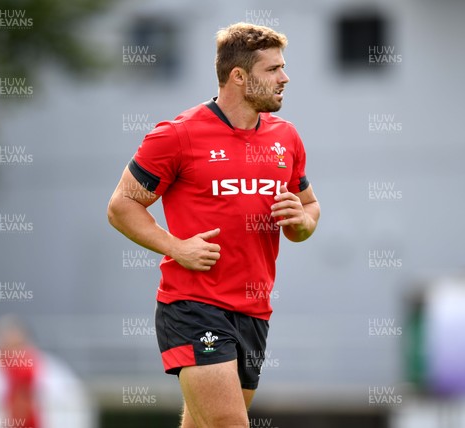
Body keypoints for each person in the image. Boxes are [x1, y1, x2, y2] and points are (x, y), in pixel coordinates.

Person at [108, 22, 320, 428]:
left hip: (255, 310)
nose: (285, 77)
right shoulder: (178, 134)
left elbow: (308, 208)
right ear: (239, 77)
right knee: (228, 423)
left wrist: (303, 222)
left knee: (203, 423)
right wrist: (176, 247)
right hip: (194, 305)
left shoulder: (286, 138)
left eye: (283, 67)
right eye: (273, 69)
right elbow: (121, 206)